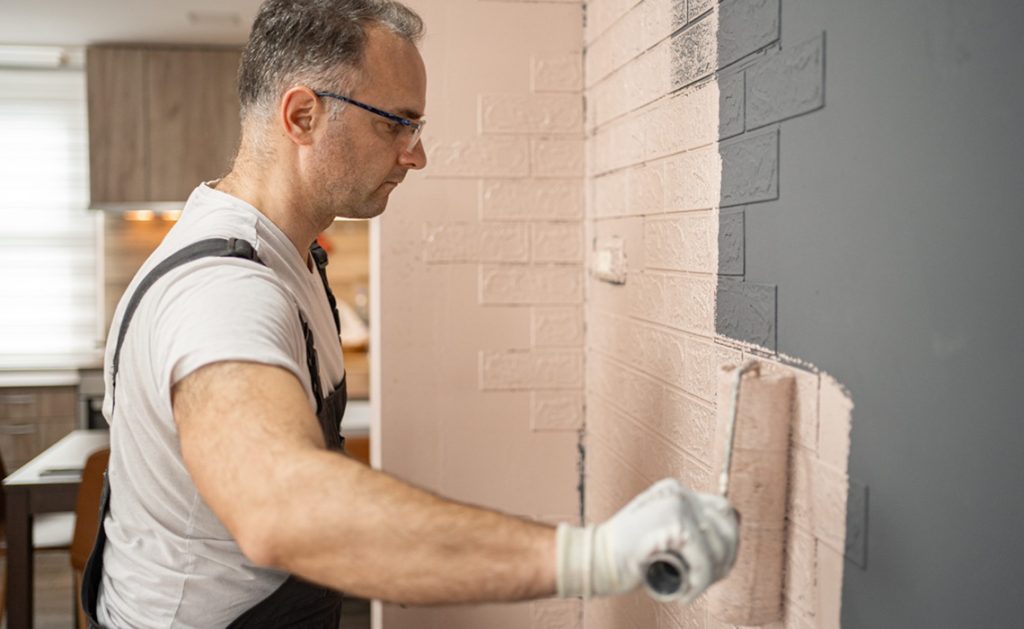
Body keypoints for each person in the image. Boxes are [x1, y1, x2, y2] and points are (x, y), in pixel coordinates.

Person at [83, 1, 740, 627]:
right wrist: (597, 556)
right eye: (394, 123)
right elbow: (282, 507)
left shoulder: (293, 257)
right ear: (303, 115)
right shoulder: (220, 290)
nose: (416, 154)